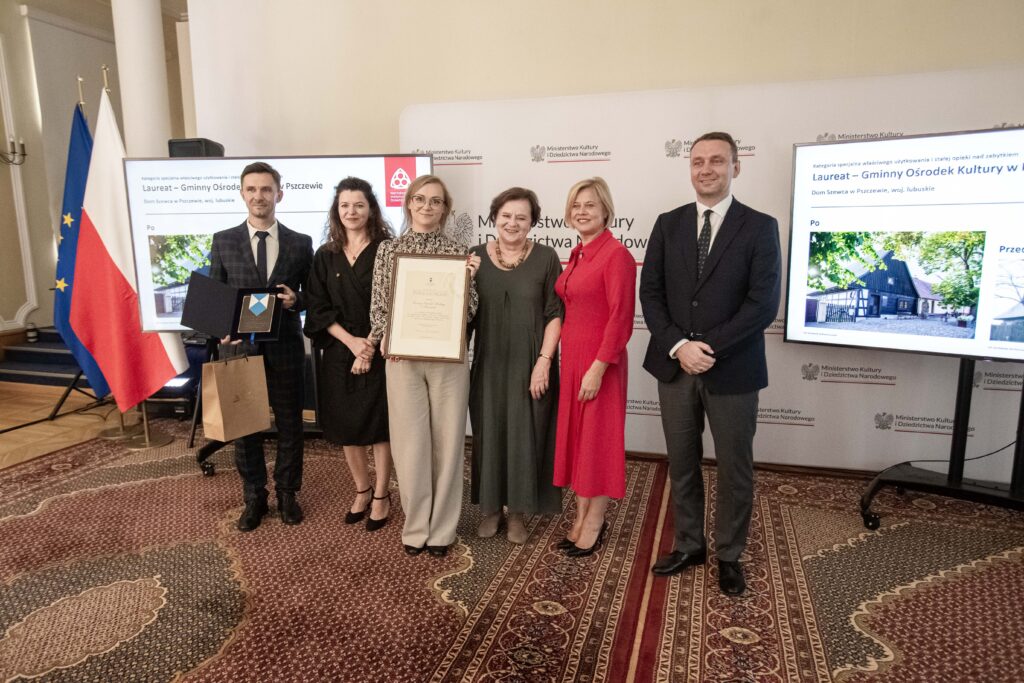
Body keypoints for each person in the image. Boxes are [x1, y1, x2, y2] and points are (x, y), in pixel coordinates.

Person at [639, 131, 781, 596]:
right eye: (698, 161)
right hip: (675, 366)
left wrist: (707, 347)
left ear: (735, 167)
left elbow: (762, 305)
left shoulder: (760, 226)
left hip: (733, 369)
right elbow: (652, 294)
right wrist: (680, 345)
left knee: (734, 467)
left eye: (717, 161)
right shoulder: (668, 223)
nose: (706, 169)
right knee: (681, 462)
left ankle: (729, 554)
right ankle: (689, 544)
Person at [368, 174, 479, 557]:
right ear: (408, 204)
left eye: (436, 201)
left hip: (448, 358)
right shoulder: (388, 249)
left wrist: (468, 282)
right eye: (420, 199)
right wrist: (384, 334)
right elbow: (379, 302)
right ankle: (416, 527)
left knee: (448, 443)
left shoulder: (460, 252)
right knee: (410, 444)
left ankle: (443, 530)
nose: (427, 206)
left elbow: (471, 312)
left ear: (445, 208)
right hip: (403, 357)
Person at [209, 161, 314, 532]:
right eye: (251, 189)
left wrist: (296, 301)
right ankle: (254, 496)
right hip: (240, 352)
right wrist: (220, 328)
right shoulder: (223, 240)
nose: (259, 196)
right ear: (242, 194)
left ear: (279, 194)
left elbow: (311, 297)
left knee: (290, 426)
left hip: (285, 346)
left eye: (266, 189)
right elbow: (216, 294)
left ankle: (287, 493)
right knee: (245, 427)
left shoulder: (302, 243)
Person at [469, 187, 563, 544]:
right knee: (488, 433)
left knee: (527, 436)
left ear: (532, 222)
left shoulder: (546, 257)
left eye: (521, 217)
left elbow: (555, 314)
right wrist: (464, 281)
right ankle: (491, 508)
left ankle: (518, 513)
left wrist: (544, 361)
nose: (512, 223)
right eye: (506, 216)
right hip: (489, 363)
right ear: (495, 217)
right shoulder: (474, 257)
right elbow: (460, 316)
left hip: (531, 363)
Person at [304, 177, 393, 531]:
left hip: (381, 348)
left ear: (370, 208)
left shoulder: (388, 248)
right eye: (344, 205)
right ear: (336, 210)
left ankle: (383, 495)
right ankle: (362, 489)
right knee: (346, 426)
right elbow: (317, 307)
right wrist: (352, 344)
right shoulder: (325, 255)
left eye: (358, 204)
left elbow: (392, 301)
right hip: (340, 350)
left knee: (379, 427)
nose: (351, 211)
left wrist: (368, 345)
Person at [552, 177, 635, 557]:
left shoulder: (615, 254)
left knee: (598, 441)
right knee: (579, 440)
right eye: (576, 206)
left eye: (590, 205)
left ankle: (595, 521)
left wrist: (599, 367)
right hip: (572, 358)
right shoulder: (578, 253)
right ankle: (581, 513)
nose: (582, 211)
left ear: (606, 210)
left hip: (600, 362)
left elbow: (621, 318)